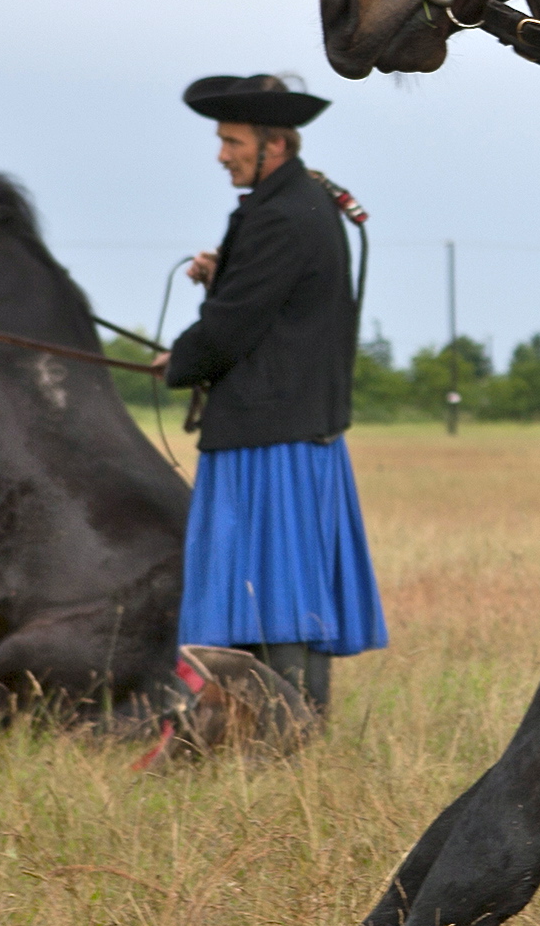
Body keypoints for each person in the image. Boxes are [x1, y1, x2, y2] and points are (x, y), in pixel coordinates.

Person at [156, 73, 385, 716]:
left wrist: (180, 362)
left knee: (277, 590)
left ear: (274, 145)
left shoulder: (281, 216)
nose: (222, 154)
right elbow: (268, 304)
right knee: (287, 586)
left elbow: (232, 327)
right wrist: (221, 273)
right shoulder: (298, 204)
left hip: (270, 431)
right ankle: (281, 726)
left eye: (232, 141)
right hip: (289, 422)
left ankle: (286, 727)